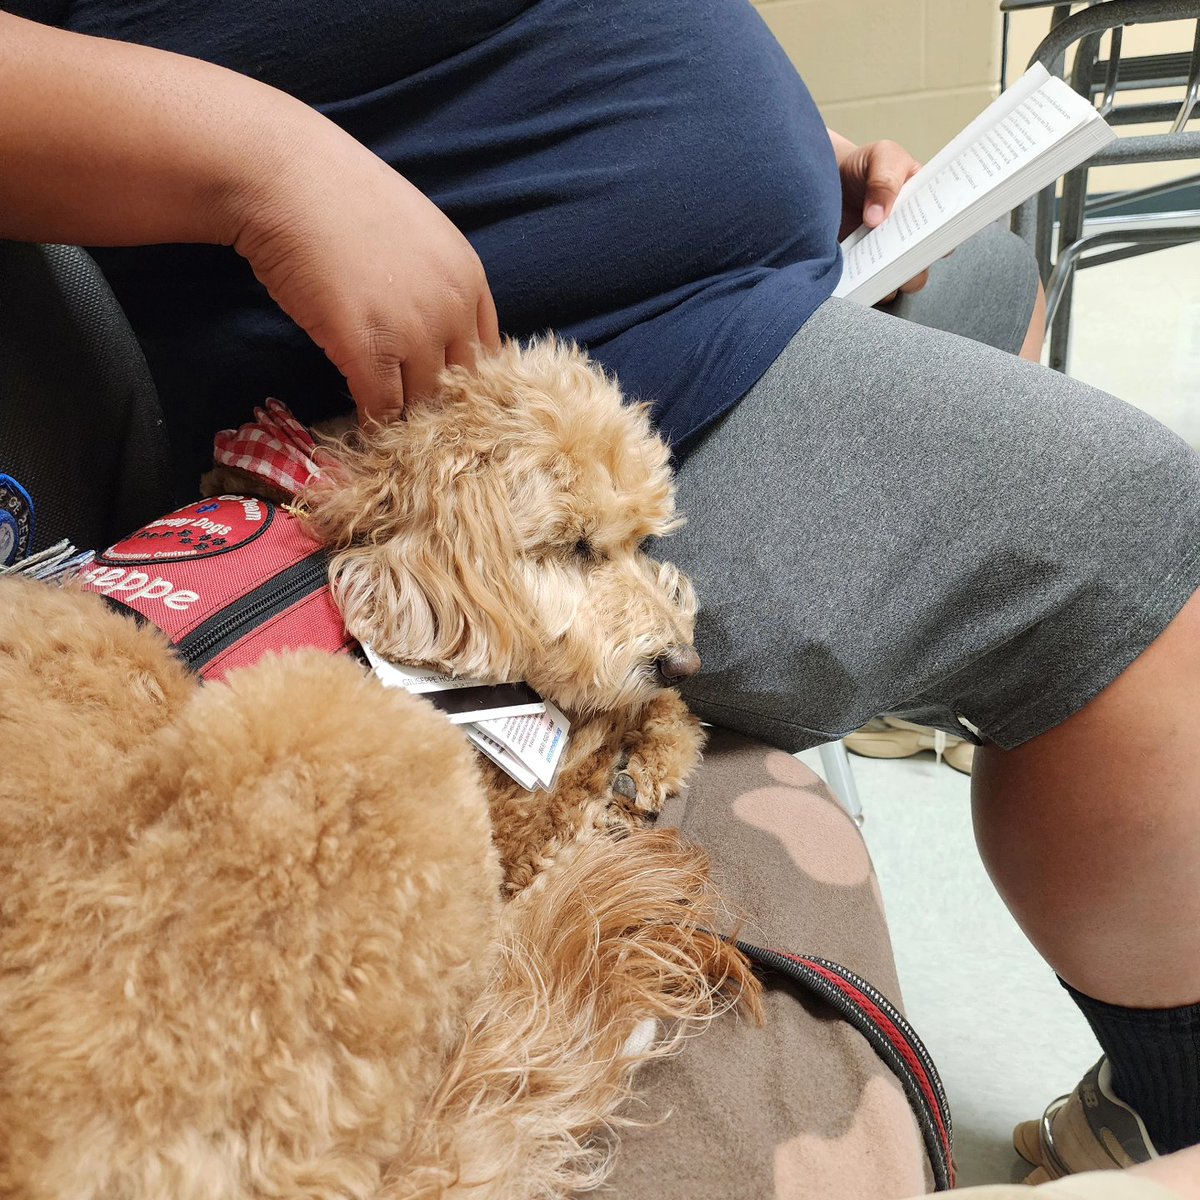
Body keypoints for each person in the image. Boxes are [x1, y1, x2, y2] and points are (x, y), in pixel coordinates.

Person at [2, 2, 1198, 1186]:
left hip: (724, 284)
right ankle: (1164, 1105)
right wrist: (260, 167)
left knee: (991, 275)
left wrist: (790, 149)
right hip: (501, 372)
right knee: (1142, 528)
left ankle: (908, 679)